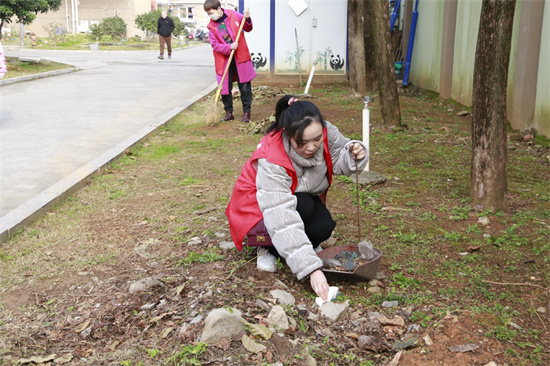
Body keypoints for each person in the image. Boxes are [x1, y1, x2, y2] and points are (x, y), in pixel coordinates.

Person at [225, 95, 368, 301]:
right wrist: (312, 269)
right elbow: (281, 217)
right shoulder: (272, 158)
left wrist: (355, 154)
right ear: (288, 135)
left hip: (297, 199)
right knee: (304, 205)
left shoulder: (325, 131)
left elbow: (339, 156)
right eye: (303, 142)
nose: (312, 147)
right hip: (257, 210)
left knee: (323, 226)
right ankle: (267, 248)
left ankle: (297, 249)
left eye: (317, 139)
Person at [204, 0, 256, 122]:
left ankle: (246, 112)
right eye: (208, 14)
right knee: (224, 87)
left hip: (240, 57)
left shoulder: (233, 15)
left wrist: (247, 19)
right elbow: (215, 45)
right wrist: (229, 47)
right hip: (224, 59)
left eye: (211, 12)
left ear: (218, 8)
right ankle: (229, 113)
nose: (211, 16)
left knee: (244, 86)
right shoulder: (211, 27)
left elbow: (248, 28)